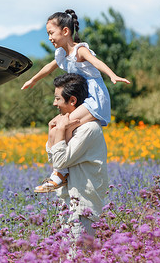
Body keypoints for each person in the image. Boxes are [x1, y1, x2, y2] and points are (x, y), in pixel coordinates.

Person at [22, 9, 129, 193]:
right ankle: (59, 169)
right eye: (47, 34)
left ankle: (60, 173)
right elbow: (48, 67)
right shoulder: (62, 54)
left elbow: (96, 62)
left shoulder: (80, 50)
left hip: (94, 98)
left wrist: (112, 75)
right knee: (54, 125)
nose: (49, 38)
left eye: (51, 33)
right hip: (81, 97)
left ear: (65, 31)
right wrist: (33, 80)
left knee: (67, 124)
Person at [45, 73, 108, 238]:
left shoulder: (88, 129)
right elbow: (52, 158)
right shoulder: (70, 128)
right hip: (68, 206)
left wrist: (59, 130)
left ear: (72, 101)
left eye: (58, 99)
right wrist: (55, 132)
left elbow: (58, 161)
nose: (54, 103)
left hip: (83, 209)